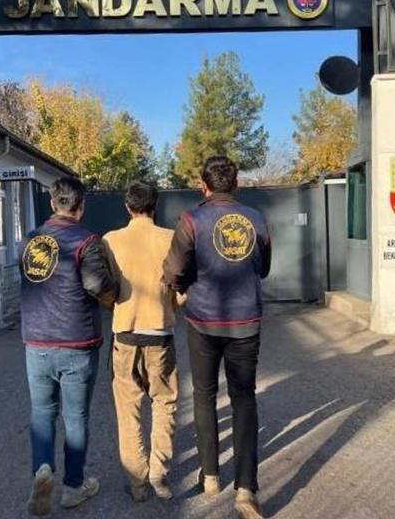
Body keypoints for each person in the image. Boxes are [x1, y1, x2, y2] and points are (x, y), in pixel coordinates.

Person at [163, 156, 271, 519]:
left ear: (203, 185)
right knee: (244, 398)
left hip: (203, 321)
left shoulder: (191, 220)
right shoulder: (256, 219)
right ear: (236, 184)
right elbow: (264, 267)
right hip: (246, 322)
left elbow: (174, 270)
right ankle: (246, 488)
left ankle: (210, 475)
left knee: (205, 395)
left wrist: (182, 286)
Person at [19, 176, 118, 517]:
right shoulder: (86, 241)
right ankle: (74, 487)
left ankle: (42, 469)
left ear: (52, 203)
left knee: (42, 412)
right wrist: (117, 295)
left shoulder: (30, 240)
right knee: (75, 417)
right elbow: (96, 285)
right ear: (81, 205)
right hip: (77, 341)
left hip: (36, 341)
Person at [102, 181, 181, 503]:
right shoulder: (171, 238)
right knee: (165, 402)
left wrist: (115, 306)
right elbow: (182, 288)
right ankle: (159, 470)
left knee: (128, 409)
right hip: (160, 333)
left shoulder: (110, 241)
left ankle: (137, 482)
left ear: (127, 206)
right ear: (155, 205)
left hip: (125, 333)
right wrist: (170, 306)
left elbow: (104, 286)